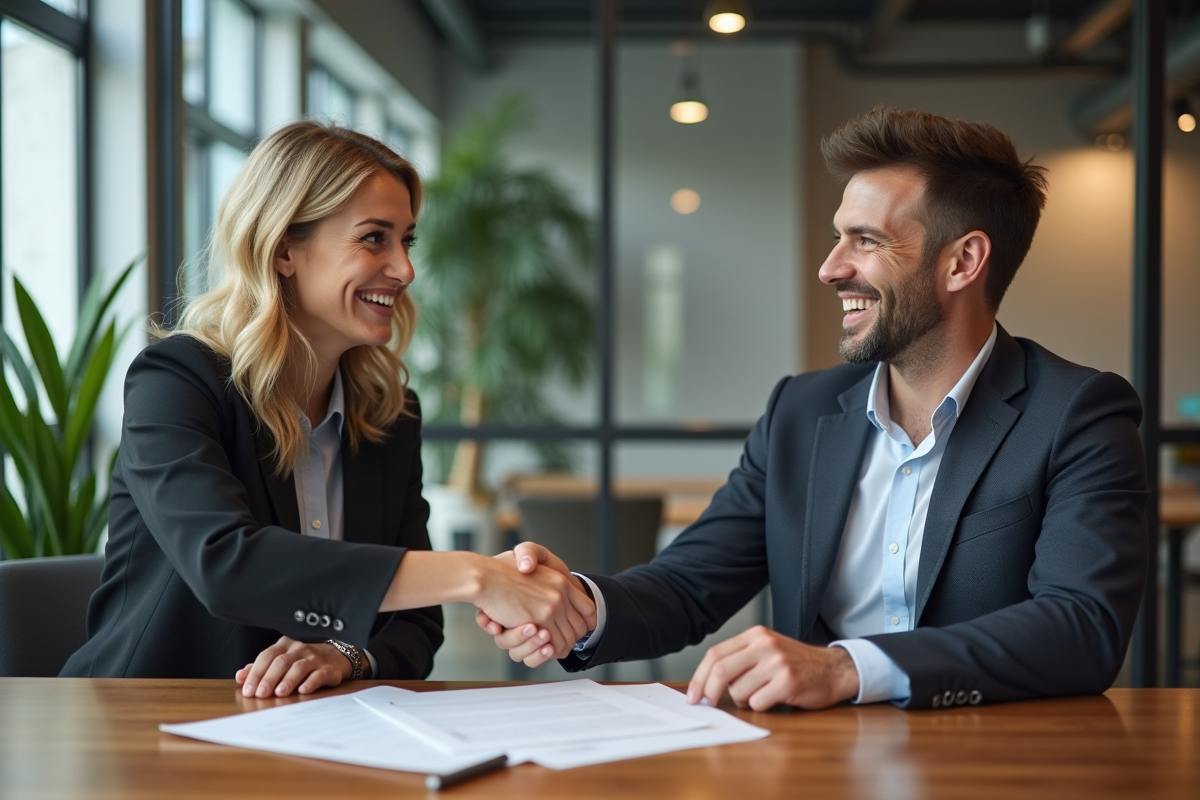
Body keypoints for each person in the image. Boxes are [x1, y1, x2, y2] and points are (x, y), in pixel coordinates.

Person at [479, 107, 1149, 711]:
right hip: (814, 764)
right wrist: (582, 607)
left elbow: (1082, 625)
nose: (830, 268)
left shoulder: (1078, 413)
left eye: (865, 240)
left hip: (995, 761)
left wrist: (847, 668)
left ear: (963, 261)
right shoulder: (800, 411)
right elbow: (689, 586)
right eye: (838, 238)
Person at [61, 120, 595, 696]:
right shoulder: (177, 381)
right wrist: (476, 575)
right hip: (144, 725)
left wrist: (347, 655)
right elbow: (226, 565)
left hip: (312, 736)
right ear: (285, 248)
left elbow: (416, 624)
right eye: (374, 238)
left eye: (406, 240)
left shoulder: (391, 417)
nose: (405, 269)